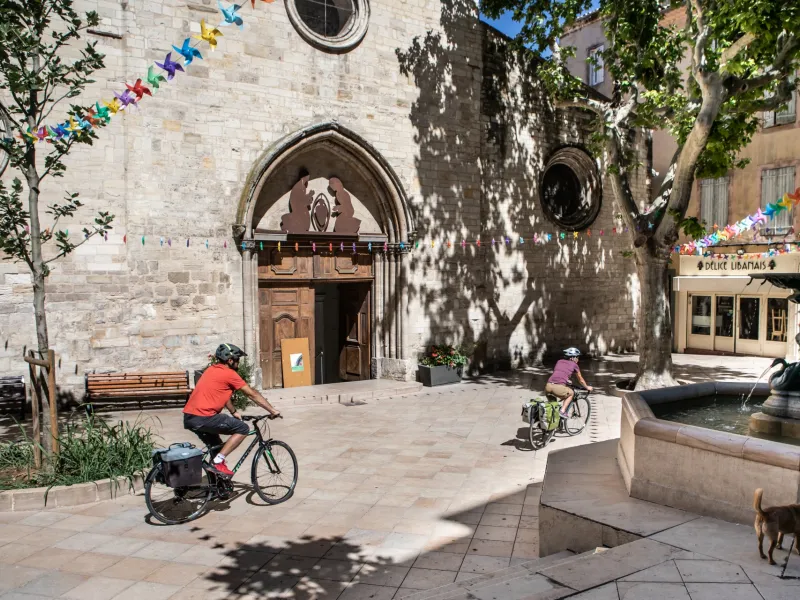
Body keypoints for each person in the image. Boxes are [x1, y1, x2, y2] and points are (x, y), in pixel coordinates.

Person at [183, 343, 281, 477]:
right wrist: (272, 410)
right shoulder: (230, 374)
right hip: (204, 417)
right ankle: (218, 462)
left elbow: (223, 393)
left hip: (190, 417)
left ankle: (218, 485)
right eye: (237, 359)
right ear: (230, 360)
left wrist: (234, 411)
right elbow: (252, 394)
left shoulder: (211, 370)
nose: (238, 363)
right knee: (242, 429)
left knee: (216, 445)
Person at [545, 347, 593, 420]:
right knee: (571, 393)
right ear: (572, 358)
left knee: (553, 408)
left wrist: (566, 380)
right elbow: (581, 379)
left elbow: (559, 372)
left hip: (548, 386)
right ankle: (562, 411)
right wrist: (587, 387)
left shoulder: (559, 361)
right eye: (577, 357)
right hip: (558, 388)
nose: (578, 359)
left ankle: (550, 427)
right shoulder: (574, 365)